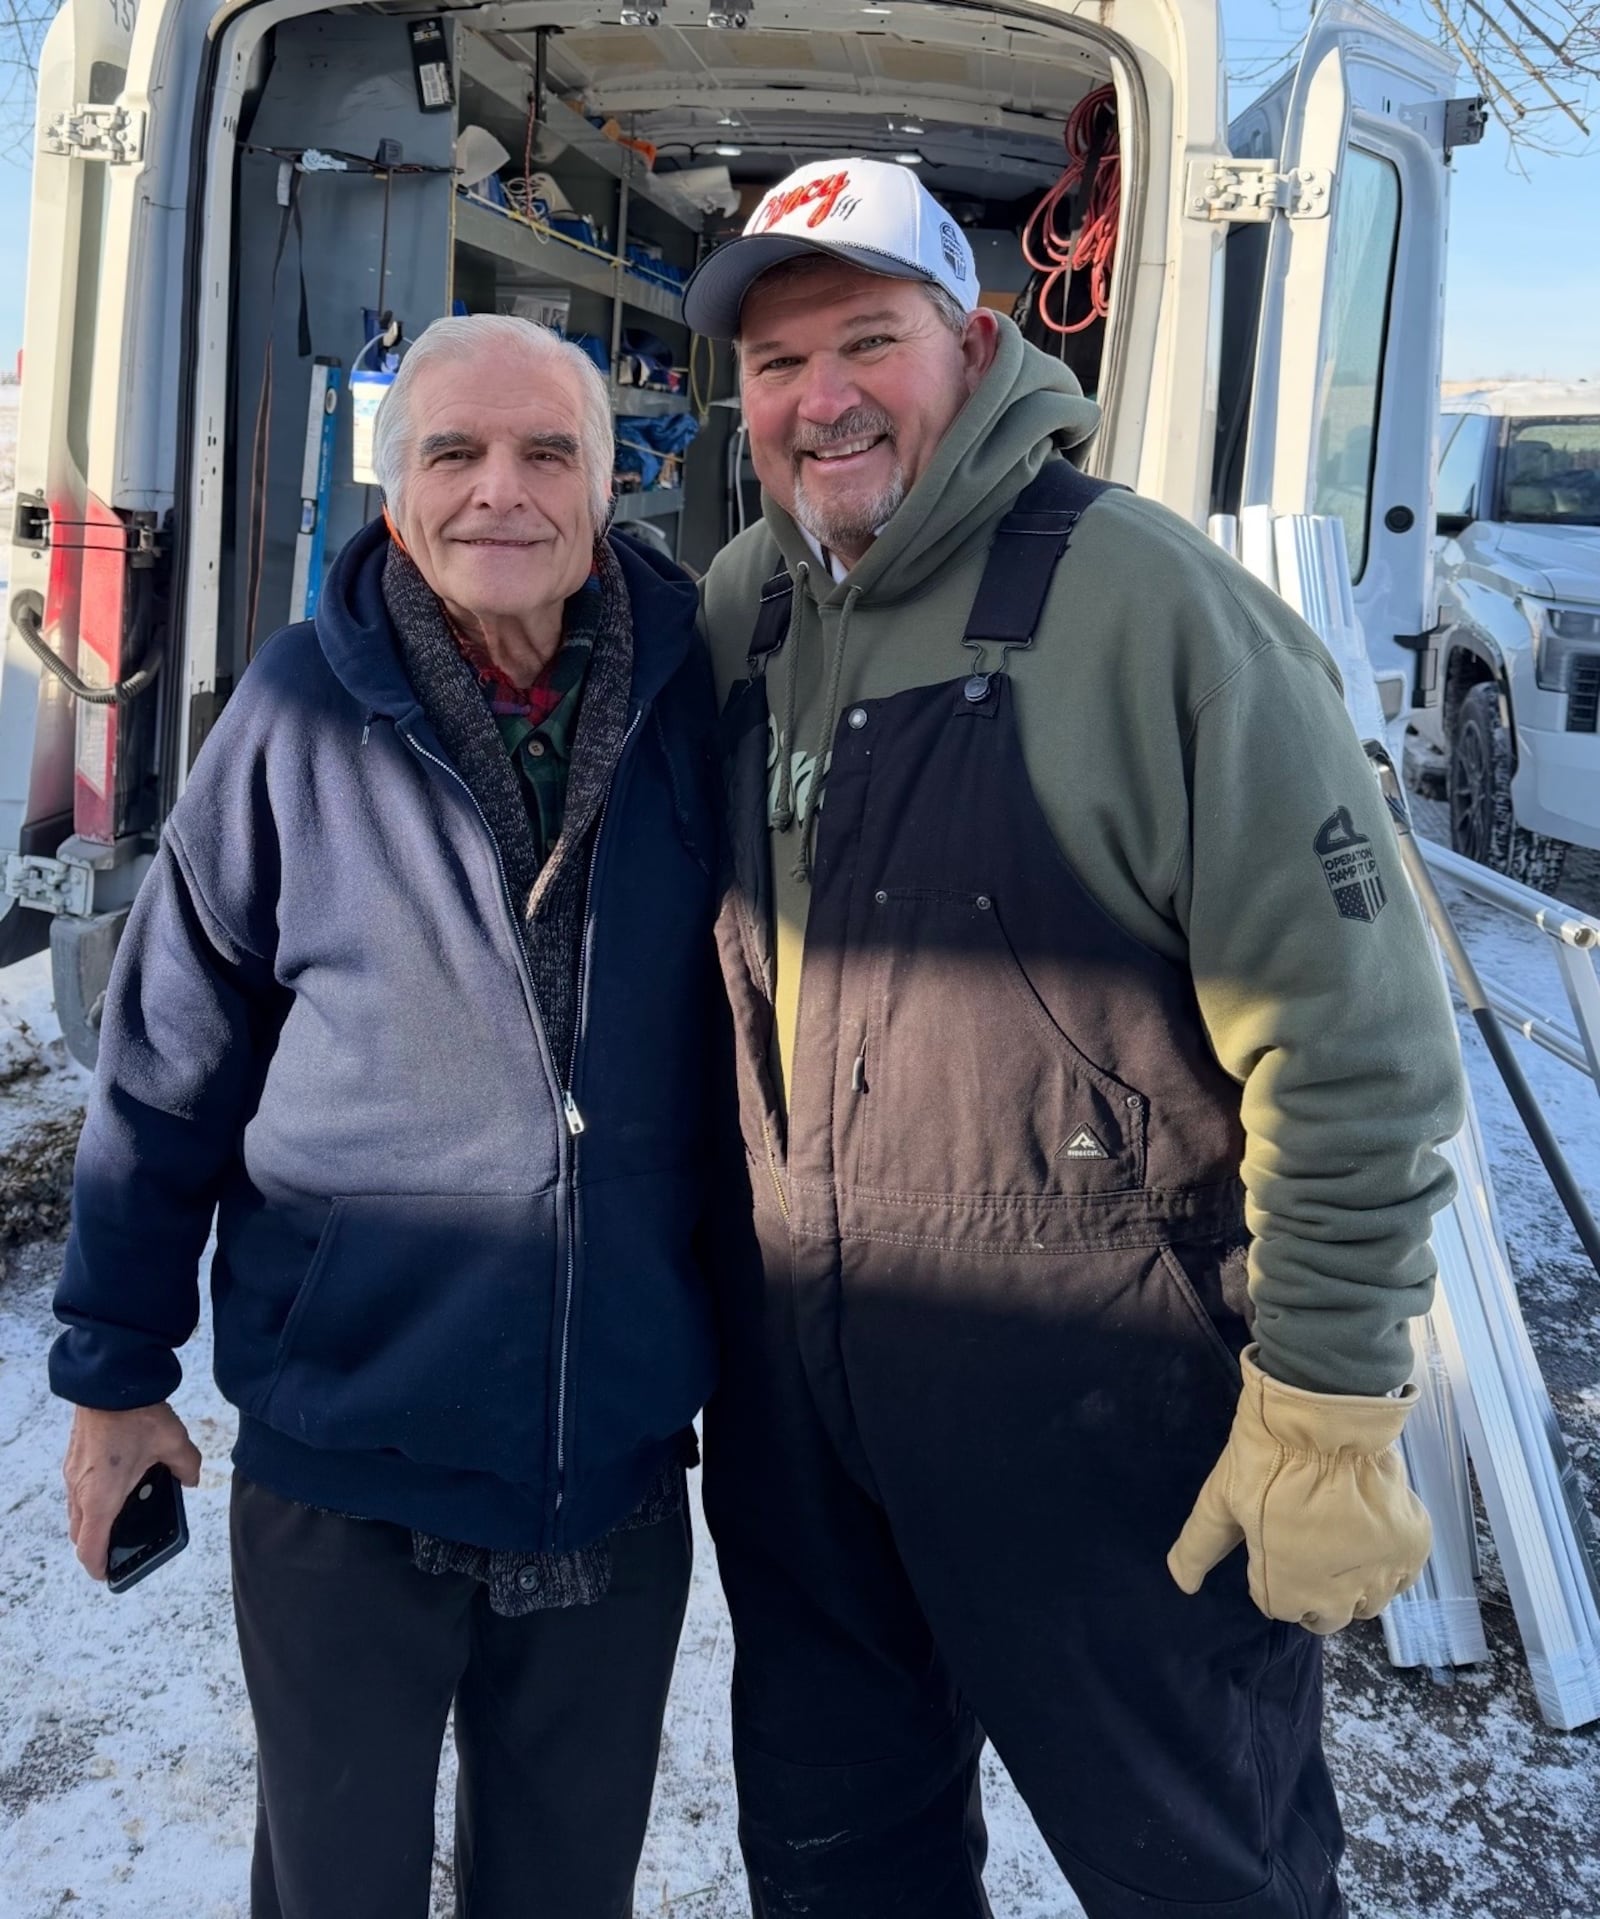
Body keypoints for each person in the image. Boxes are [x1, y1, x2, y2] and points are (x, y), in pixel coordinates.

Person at [685, 158, 1465, 1918]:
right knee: (838, 1857)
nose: (821, 402)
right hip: (802, 1401)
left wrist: (1329, 1393)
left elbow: (1355, 1037)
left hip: (1098, 1395)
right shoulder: (743, 611)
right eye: (777, 363)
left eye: (866, 342)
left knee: (1202, 1873)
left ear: (972, 344)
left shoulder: (1146, 610)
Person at [51, 313, 724, 1919]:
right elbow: (164, 1067)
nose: (503, 490)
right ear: (393, 485)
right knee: (337, 1886)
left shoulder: (698, 697)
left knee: (566, 1891)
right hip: (350, 1456)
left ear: (609, 480)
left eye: (547, 452)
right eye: (456, 454)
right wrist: (114, 1374)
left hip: (614, 1456)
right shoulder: (295, 712)